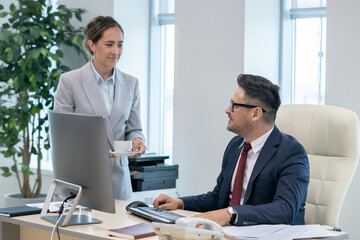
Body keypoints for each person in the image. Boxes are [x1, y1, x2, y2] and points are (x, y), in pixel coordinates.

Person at [153, 74, 310, 226]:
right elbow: (218, 198)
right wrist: (180, 203)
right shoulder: (236, 146)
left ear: (256, 113)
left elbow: (285, 209)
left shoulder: (291, 152)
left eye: (234, 105)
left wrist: (231, 214)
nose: (227, 110)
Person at [54, 16, 146, 200]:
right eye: (109, 44)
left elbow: (134, 129)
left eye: (120, 45)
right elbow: (62, 136)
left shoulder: (131, 83)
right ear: (92, 45)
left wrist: (137, 140)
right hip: (81, 182)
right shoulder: (70, 81)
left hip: (118, 184)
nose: (116, 51)